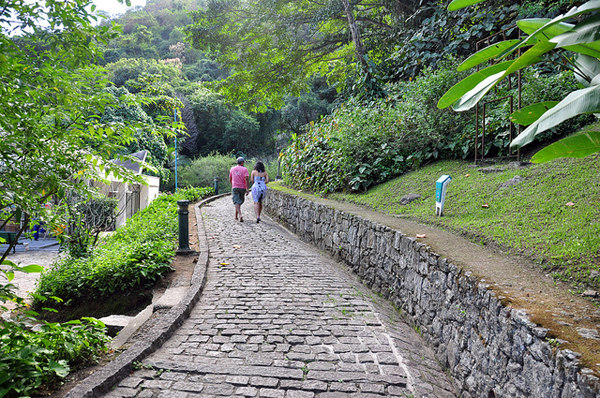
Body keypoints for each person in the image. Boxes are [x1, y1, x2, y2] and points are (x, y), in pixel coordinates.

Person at [229, 157, 250, 222]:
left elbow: (230, 178)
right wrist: (247, 188)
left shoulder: (232, 169)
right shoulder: (245, 169)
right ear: (242, 162)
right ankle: (239, 215)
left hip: (235, 187)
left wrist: (232, 185)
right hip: (242, 187)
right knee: (239, 201)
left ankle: (236, 215)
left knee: (237, 201)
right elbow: (246, 179)